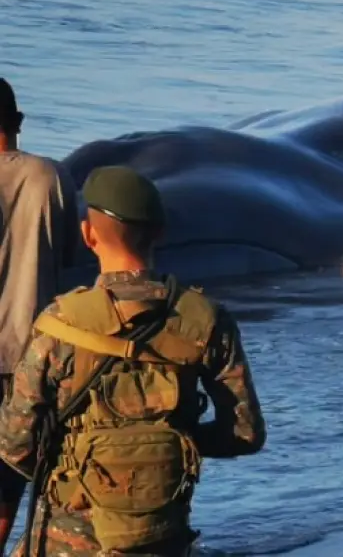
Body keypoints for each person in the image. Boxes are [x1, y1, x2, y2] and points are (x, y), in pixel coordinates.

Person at [0, 165, 267, 557]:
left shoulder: (60, 325)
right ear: (159, 232)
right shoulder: (205, 320)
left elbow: (14, 445)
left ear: (88, 235)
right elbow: (245, 433)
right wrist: (175, 442)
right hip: (162, 535)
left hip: (67, 541)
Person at [0, 78, 80, 550]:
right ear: (20, 123)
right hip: (29, 355)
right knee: (10, 473)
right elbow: (70, 255)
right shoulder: (50, 176)